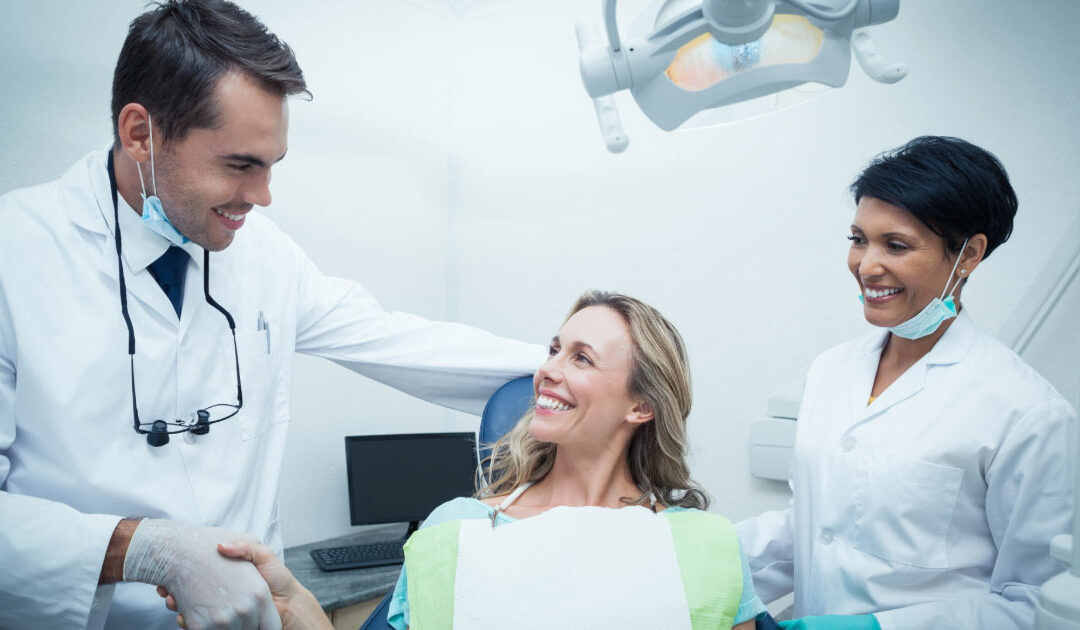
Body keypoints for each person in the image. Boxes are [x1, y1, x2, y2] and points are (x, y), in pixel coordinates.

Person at [0, 2, 543, 629]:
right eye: (239, 165)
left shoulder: (262, 253)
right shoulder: (17, 254)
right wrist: (142, 549)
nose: (260, 198)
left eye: (271, 166)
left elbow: (395, 340)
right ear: (140, 133)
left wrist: (572, 370)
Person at [180, 291, 769, 629]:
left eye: (582, 359)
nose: (549, 369)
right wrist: (293, 602)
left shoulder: (702, 547)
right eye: (554, 349)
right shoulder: (455, 531)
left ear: (641, 405)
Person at [736, 136, 1078, 629]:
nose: (866, 265)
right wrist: (700, 558)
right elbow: (815, 528)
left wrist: (878, 628)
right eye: (858, 239)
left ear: (968, 254)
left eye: (895, 245)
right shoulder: (831, 371)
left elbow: (1035, 602)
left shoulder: (1026, 413)